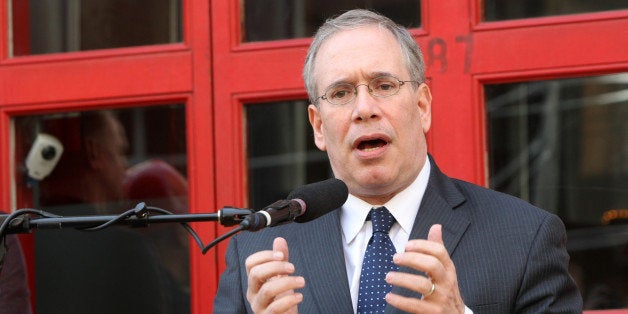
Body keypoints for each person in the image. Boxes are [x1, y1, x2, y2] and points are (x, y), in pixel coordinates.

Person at [213, 9, 582, 313]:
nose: (364, 109)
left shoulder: (525, 237)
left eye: (384, 86)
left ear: (422, 107)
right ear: (318, 126)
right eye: (341, 93)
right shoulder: (257, 253)